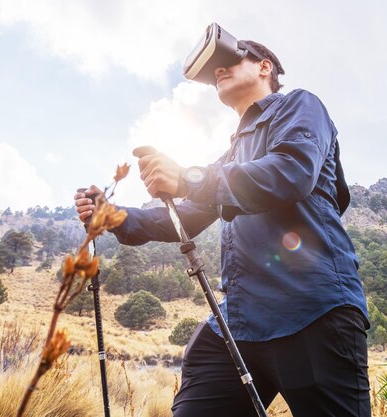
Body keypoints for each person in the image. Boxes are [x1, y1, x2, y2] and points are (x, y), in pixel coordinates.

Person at [75, 40, 370, 417]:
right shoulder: (230, 158)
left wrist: (189, 177)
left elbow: (291, 172)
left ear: (265, 67)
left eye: (230, 60)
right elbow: (181, 218)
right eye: (213, 70)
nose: (219, 71)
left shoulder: (300, 105)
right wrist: (111, 216)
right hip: (237, 325)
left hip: (313, 314)